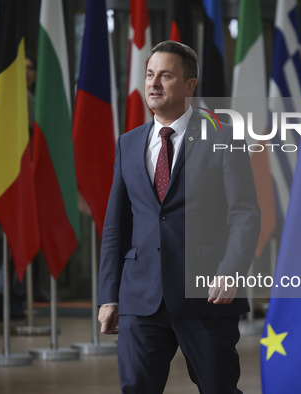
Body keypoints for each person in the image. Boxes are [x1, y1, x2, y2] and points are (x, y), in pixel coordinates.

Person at [97, 41, 260, 393]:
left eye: (166, 76)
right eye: (150, 75)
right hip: (140, 298)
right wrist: (109, 295)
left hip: (206, 295)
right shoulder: (127, 143)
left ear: (190, 85)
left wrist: (230, 271)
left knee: (218, 388)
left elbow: (244, 214)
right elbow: (116, 226)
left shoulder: (224, 137)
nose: (153, 84)